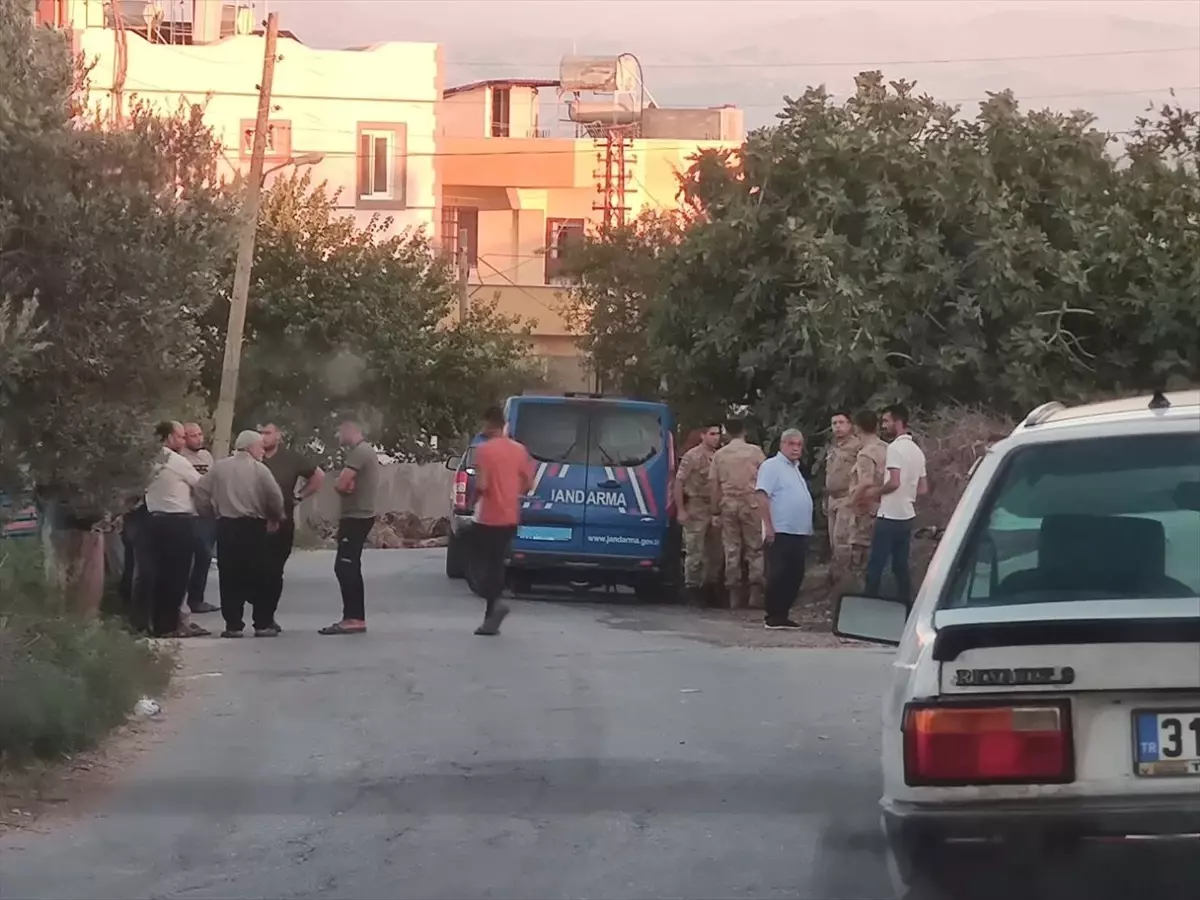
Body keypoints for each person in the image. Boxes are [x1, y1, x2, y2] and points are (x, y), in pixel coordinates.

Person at [194, 430, 285, 637]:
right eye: (260, 446)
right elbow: (274, 497)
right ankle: (262, 623)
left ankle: (233, 625)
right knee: (260, 575)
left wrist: (207, 513)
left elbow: (200, 491)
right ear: (250, 447)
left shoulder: (219, 468)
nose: (262, 450)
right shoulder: (259, 469)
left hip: (226, 527)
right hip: (253, 528)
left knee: (229, 576)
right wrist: (275, 517)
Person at [469, 406, 533, 635]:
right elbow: (528, 483)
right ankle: (490, 618)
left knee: (480, 565)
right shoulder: (519, 450)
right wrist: (511, 492)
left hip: (488, 515)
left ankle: (495, 605)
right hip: (510, 514)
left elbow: (483, 485)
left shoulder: (484, 450)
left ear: (488, 424)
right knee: (498, 563)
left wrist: (472, 499)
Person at [143, 421, 209, 638]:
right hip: (178, 521)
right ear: (169, 438)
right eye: (180, 437)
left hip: (154, 519)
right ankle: (169, 626)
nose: (182, 441)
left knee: (158, 575)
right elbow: (200, 484)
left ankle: (156, 622)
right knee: (177, 577)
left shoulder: (145, 460)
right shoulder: (176, 461)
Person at [258, 421, 325, 631]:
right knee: (254, 570)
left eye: (267, 433)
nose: (263, 437)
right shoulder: (251, 455)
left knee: (274, 571)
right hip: (253, 522)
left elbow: (318, 476)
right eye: (259, 433)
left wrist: (299, 496)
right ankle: (252, 613)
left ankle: (266, 617)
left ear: (278, 435)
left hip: (282, 521)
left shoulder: (291, 458)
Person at [320, 417, 379, 636]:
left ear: (350, 428)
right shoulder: (363, 452)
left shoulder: (360, 452)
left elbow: (342, 483)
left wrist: (342, 486)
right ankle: (354, 617)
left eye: (339, 430)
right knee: (349, 566)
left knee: (345, 567)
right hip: (358, 516)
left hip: (356, 517)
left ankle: (354, 618)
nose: (337, 435)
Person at [863, 404, 928, 603]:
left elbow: (894, 481)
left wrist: (875, 492)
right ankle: (907, 606)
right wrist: (907, 494)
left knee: (876, 564)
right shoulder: (917, 451)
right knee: (900, 566)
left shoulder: (894, 448)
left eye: (886, 421)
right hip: (907, 515)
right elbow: (923, 488)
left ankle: (867, 607)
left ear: (898, 422)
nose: (883, 426)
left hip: (890, 514)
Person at [756, 428, 814, 629]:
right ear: (782, 445)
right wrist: (768, 526)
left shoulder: (795, 468)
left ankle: (783, 613)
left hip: (798, 530)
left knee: (795, 573)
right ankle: (773, 615)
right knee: (779, 572)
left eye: (799, 444)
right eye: (791, 443)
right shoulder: (772, 466)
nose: (796, 448)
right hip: (780, 529)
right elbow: (762, 496)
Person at [709, 419, 766, 609]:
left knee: (731, 548)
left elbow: (714, 485)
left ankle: (734, 594)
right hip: (751, 503)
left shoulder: (719, 455)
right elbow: (766, 478)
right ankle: (755, 592)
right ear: (744, 431)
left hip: (728, 503)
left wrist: (715, 511)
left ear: (727, 433)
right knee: (755, 547)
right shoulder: (755, 452)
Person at [838, 409, 889, 588]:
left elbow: (866, 481)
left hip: (864, 511)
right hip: (882, 508)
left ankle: (861, 597)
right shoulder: (886, 448)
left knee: (859, 558)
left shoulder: (866, 453)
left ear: (857, 428)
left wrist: (852, 501)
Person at [674, 422, 723, 606]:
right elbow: (679, 482)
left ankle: (710, 588)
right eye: (712, 434)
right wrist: (681, 509)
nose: (716, 437)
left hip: (715, 508)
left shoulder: (720, 456)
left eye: (718, 434)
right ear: (702, 435)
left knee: (716, 552)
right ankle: (692, 589)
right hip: (696, 507)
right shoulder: (692, 456)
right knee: (695, 551)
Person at [180, 422, 219, 616]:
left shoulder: (206, 456)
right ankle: (180, 601)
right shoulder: (180, 457)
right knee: (185, 559)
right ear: (184, 438)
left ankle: (197, 599)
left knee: (204, 557)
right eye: (193, 435)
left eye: (200, 434)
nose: (198, 438)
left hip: (205, 514)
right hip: (186, 513)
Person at [822, 410, 861, 562]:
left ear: (850, 425)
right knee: (833, 542)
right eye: (834, 423)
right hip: (832, 498)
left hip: (847, 498)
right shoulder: (833, 447)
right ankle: (836, 576)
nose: (837, 426)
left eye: (841, 423)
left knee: (843, 541)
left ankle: (845, 579)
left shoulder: (857, 446)